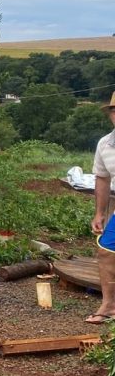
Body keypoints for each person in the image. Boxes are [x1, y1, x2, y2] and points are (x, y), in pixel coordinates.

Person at [88, 91, 115, 323]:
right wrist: (99, 213)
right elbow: (103, 179)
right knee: (106, 250)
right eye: (114, 111)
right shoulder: (105, 144)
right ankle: (110, 306)